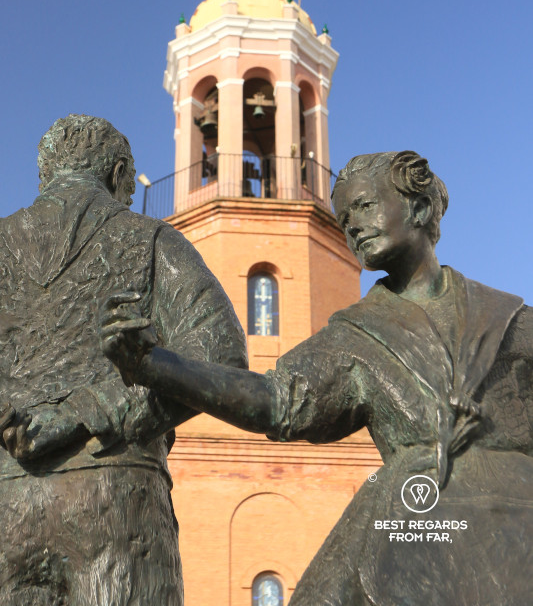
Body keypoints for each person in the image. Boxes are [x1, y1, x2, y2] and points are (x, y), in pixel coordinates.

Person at [101, 150, 533, 606]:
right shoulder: (357, 335)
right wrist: (154, 365)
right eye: (344, 217)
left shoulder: (511, 319)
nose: (352, 226)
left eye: (365, 206)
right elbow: (277, 400)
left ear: (419, 208)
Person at [0, 115, 247, 606]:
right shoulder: (151, 239)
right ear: (117, 175)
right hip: (117, 500)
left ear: (47, 175)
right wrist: (82, 413)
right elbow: (222, 353)